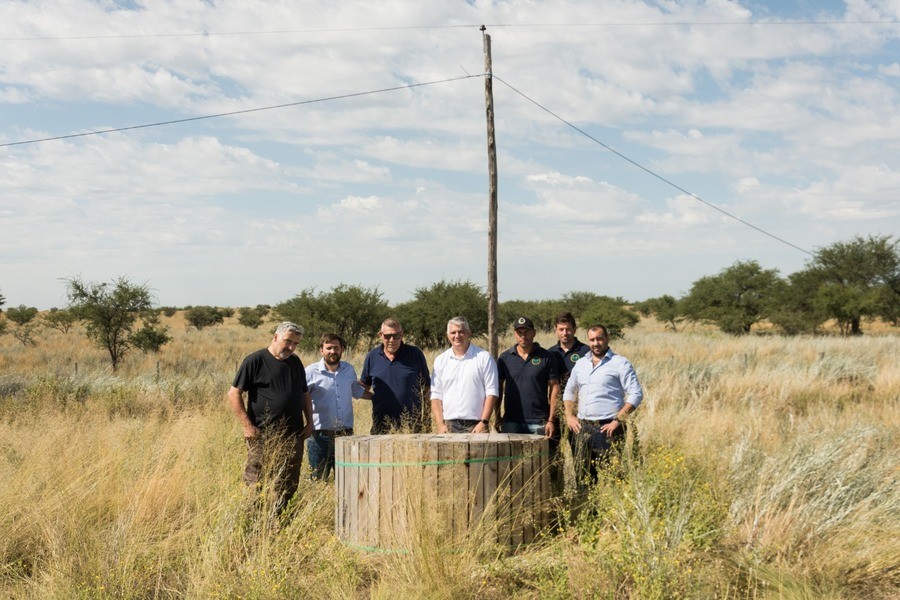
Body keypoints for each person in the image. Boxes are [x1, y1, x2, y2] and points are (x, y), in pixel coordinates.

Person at [228, 321, 314, 511]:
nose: (291, 347)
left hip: (294, 434)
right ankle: (254, 522)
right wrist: (247, 426)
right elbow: (234, 393)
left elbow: (304, 394)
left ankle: (280, 520)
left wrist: (310, 422)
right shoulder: (255, 360)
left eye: (295, 344)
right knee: (256, 481)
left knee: (289, 480)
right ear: (275, 337)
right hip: (263, 435)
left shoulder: (295, 362)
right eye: (288, 341)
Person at [563, 324, 643, 482]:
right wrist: (569, 416)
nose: (595, 343)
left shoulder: (620, 363)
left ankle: (611, 506)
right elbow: (569, 391)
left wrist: (618, 421)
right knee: (583, 477)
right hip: (582, 428)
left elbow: (636, 393)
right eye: (592, 340)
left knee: (611, 477)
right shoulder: (581, 364)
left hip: (608, 429)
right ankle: (588, 506)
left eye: (599, 339)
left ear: (607, 338)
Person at [305, 333, 366, 480]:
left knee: (347, 479)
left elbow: (357, 392)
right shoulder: (310, 372)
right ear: (321, 350)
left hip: (345, 434)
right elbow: (301, 397)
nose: (333, 351)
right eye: (329, 348)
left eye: (336, 348)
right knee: (318, 479)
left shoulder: (349, 370)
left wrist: (379, 398)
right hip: (319, 436)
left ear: (342, 350)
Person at [360, 318, 431, 434]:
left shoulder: (415, 354)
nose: (392, 340)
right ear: (380, 335)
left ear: (401, 335)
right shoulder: (372, 356)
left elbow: (427, 388)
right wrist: (375, 397)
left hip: (412, 427)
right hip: (381, 426)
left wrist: (427, 420)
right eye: (387, 336)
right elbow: (364, 387)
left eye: (396, 336)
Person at [430, 316, 499, 434]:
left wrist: (484, 422)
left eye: (461, 332)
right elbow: (436, 396)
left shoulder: (484, 358)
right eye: (453, 332)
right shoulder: (440, 360)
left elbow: (492, 392)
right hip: (449, 425)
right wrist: (440, 425)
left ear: (468, 333)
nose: (457, 336)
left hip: (476, 425)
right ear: (448, 336)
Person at [496, 316, 560, 437]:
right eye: (519, 332)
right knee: (511, 456)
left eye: (526, 332)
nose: (523, 336)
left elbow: (554, 388)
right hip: (511, 421)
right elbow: (498, 388)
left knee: (539, 456)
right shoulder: (505, 358)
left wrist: (551, 420)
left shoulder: (547, 357)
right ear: (515, 334)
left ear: (534, 333)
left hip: (538, 421)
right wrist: (498, 415)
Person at [548, 311, 590, 387]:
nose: (565, 333)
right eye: (561, 329)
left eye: (568, 329)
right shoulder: (550, 353)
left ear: (574, 329)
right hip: (557, 398)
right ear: (555, 330)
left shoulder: (587, 351)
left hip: (579, 397)